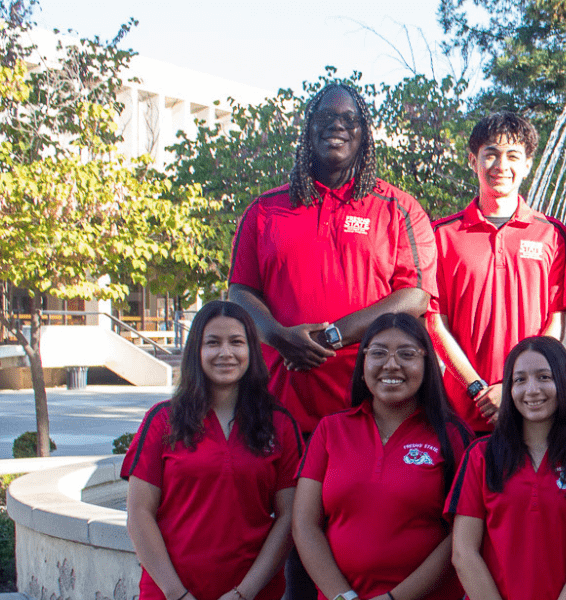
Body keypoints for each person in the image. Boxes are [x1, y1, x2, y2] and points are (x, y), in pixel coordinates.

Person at [228, 82, 438, 434]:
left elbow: (415, 295)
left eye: (349, 119)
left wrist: (332, 337)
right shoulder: (265, 209)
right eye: (325, 117)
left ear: (364, 134)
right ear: (309, 129)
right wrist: (279, 337)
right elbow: (240, 292)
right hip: (280, 404)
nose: (336, 125)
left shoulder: (398, 208)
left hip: (368, 406)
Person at [124, 301, 304, 600]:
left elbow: (288, 518)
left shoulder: (281, 425)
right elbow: (139, 513)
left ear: (251, 351)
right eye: (213, 343)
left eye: (236, 342)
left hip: (254, 593)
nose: (225, 353)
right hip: (169, 592)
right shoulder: (162, 421)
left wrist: (244, 593)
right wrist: (176, 593)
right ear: (197, 351)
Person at [294, 313, 471, 600]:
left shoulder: (453, 437)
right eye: (378, 353)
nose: (391, 364)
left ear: (427, 365)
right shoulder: (330, 430)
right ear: (362, 365)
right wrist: (342, 596)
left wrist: (394, 598)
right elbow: (304, 525)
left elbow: (461, 537)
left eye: (407, 354)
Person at [430, 111, 566, 435]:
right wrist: (478, 389)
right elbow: (435, 323)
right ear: (473, 160)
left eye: (512, 156)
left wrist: (515, 387)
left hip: (532, 408)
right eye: (490, 154)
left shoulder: (551, 234)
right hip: (463, 412)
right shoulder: (441, 235)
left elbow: (555, 322)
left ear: (527, 164)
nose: (500, 166)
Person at [447, 336, 566, 600]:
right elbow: (464, 553)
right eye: (519, 380)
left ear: (564, 382)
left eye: (544, 377)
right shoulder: (480, 456)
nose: (532, 389)